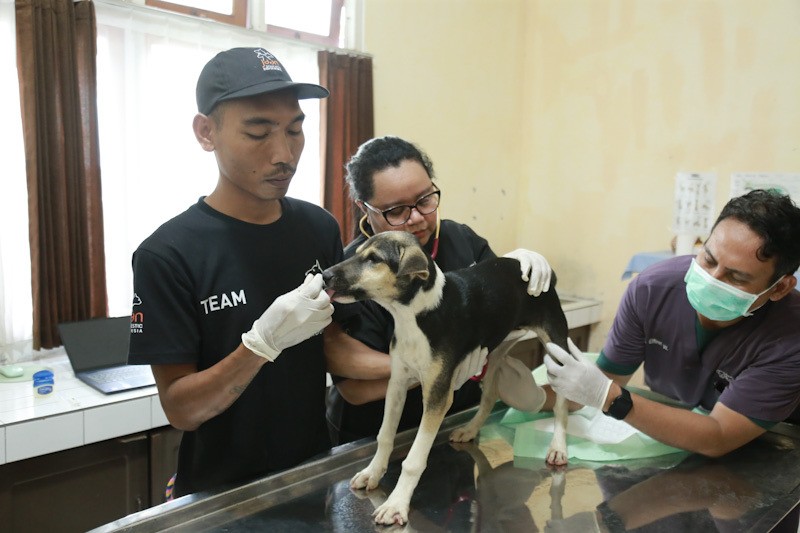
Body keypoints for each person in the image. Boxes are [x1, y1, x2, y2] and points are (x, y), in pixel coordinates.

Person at [127, 47, 360, 497]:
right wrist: (260, 344)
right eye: (258, 133)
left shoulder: (318, 228)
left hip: (311, 477)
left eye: (295, 131)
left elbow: (334, 349)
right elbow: (181, 409)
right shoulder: (168, 254)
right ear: (206, 131)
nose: (284, 154)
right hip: (220, 495)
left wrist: (433, 364)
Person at [324, 135, 554, 445]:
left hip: (457, 425)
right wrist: (439, 366)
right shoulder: (355, 273)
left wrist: (516, 269)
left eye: (424, 200)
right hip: (378, 438)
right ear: (365, 208)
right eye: (395, 211)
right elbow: (355, 389)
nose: (417, 218)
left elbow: (499, 318)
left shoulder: (464, 242)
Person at [545, 189, 800, 457]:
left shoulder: (791, 337)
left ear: (780, 288)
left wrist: (611, 399)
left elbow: (719, 435)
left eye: (736, 278)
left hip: (771, 444)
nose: (712, 279)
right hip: (673, 431)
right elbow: (602, 381)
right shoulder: (652, 290)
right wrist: (529, 396)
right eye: (708, 259)